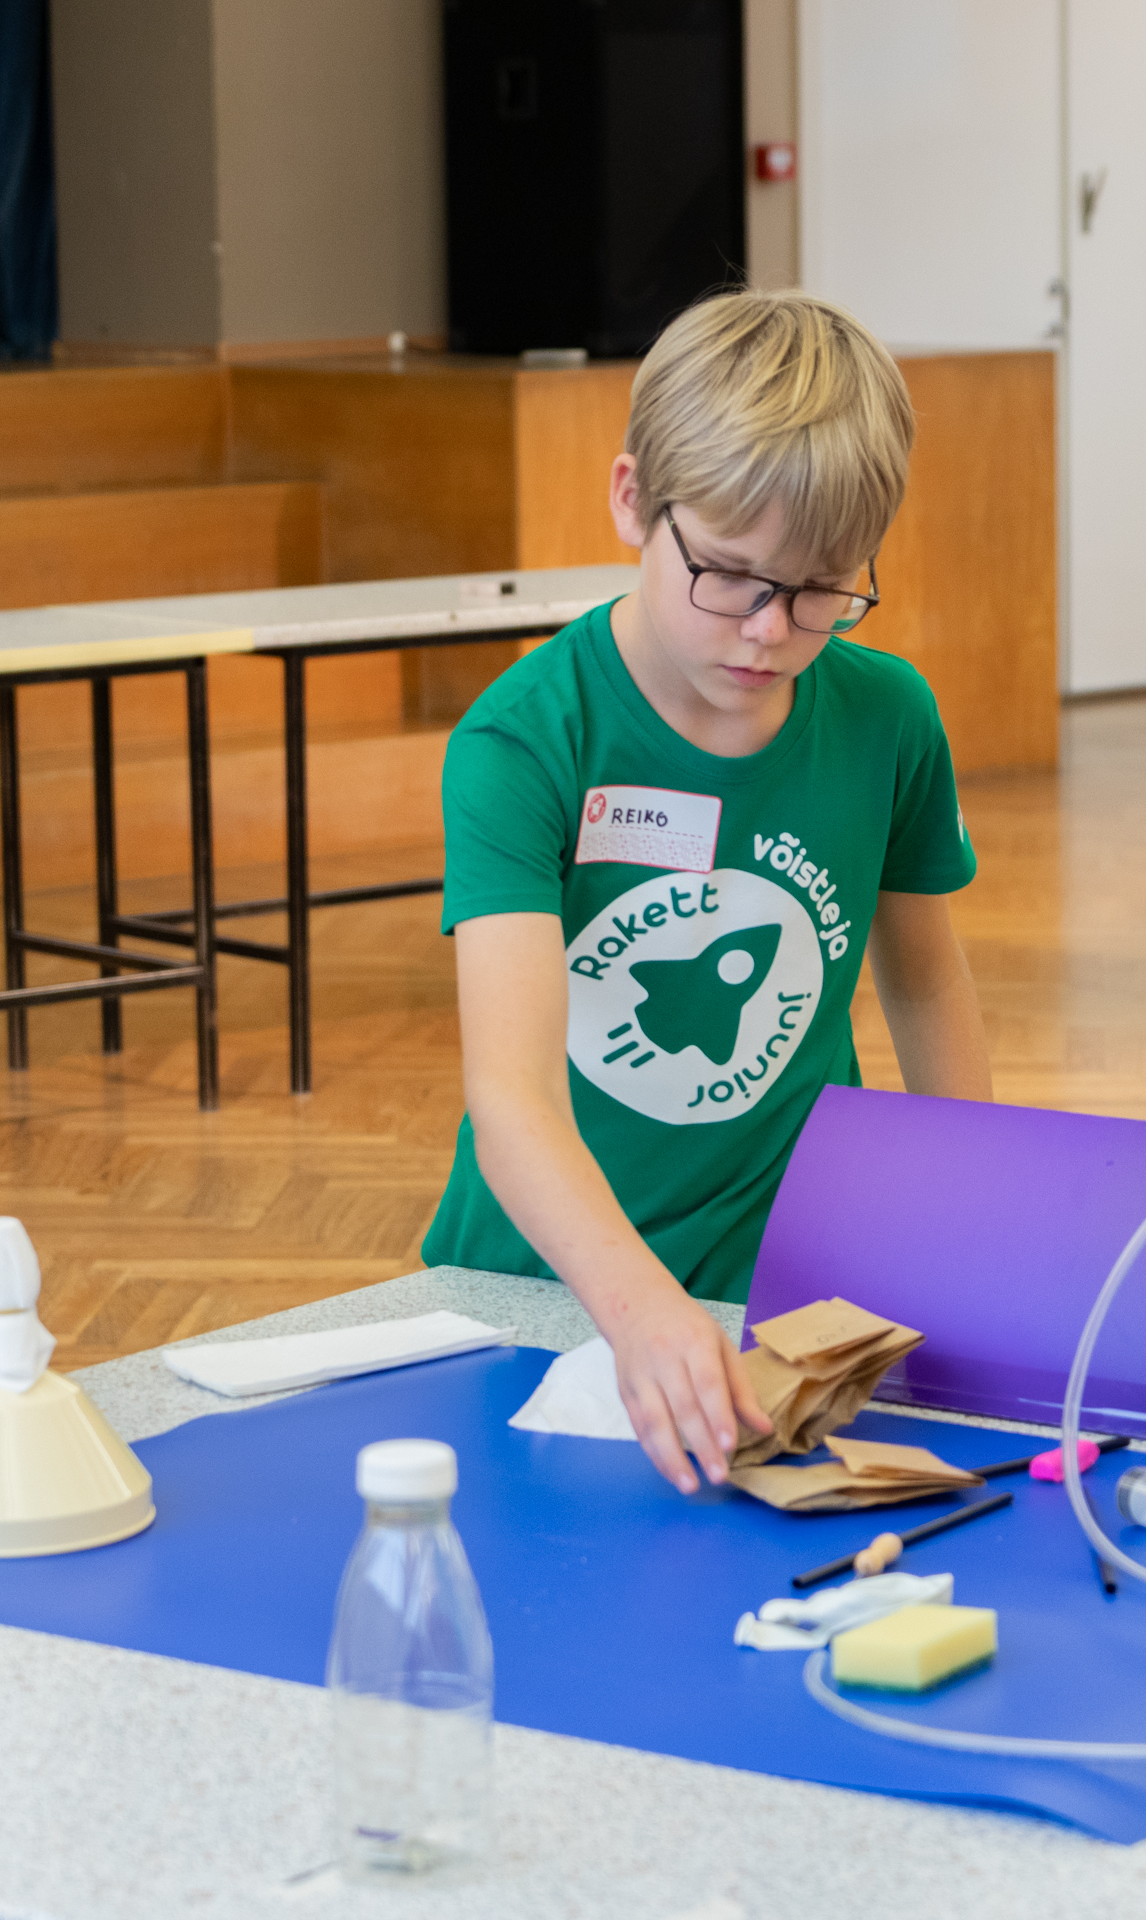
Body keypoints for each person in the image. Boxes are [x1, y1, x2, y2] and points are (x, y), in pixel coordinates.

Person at [423, 290, 992, 1495]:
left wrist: (978, 1214)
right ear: (634, 500)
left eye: (822, 589)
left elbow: (928, 988)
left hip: (790, 1288)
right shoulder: (523, 742)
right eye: (730, 576)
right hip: (541, 1294)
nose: (770, 631)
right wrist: (638, 1307)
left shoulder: (889, 719)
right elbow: (511, 1098)